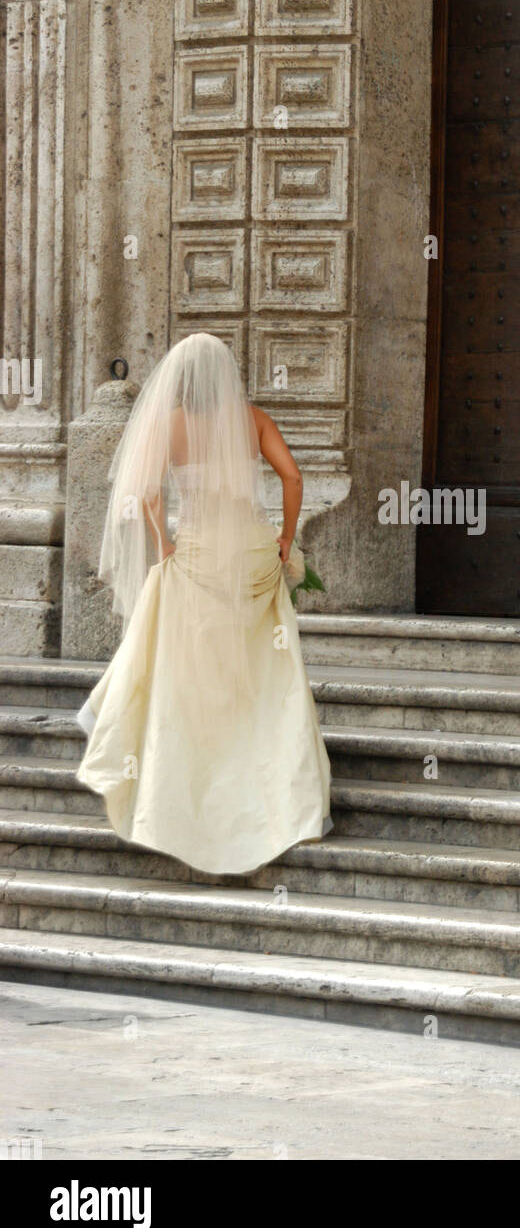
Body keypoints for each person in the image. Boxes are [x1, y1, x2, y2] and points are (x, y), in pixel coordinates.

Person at [75, 332, 331, 875]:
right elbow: (293, 476)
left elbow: (145, 492)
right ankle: (276, 790)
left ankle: (183, 787)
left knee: (188, 671)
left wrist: (164, 544)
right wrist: (286, 538)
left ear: (182, 378)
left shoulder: (170, 425)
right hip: (253, 558)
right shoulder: (253, 419)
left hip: (196, 557)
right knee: (264, 675)